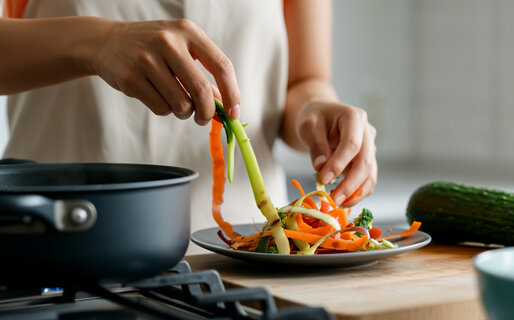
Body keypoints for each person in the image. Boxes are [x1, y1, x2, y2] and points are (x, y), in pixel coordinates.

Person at [0, 0, 377, 236]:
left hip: (247, 251)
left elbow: (304, 79)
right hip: (59, 240)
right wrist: (97, 41)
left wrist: (317, 110)